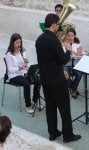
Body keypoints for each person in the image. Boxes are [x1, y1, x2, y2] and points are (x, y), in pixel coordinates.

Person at [35, 13, 81, 143]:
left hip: (45, 79)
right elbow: (63, 60)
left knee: (50, 106)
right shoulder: (53, 40)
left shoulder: (39, 39)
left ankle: (53, 133)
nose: (58, 28)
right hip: (57, 79)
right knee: (64, 107)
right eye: (58, 25)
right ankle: (68, 135)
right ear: (54, 25)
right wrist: (67, 49)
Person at [4, 33, 41, 114]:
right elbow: (10, 70)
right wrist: (21, 67)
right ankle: (28, 105)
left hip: (23, 73)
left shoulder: (22, 52)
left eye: (20, 42)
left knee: (37, 80)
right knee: (26, 84)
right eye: (17, 42)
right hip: (13, 76)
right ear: (12, 43)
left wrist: (26, 62)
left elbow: (24, 64)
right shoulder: (8, 55)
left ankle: (35, 101)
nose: (19, 44)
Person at [62, 28, 83, 99]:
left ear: (74, 36)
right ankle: (73, 88)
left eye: (71, 36)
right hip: (65, 63)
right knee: (64, 74)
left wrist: (71, 50)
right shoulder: (63, 44)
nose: (70, 37)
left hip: (75, 63)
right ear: (66, 36)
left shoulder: (78, 45)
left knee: (79, 74)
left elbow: (79, 56)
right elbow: (60, 55)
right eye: (68, 36)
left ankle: (73, 89)